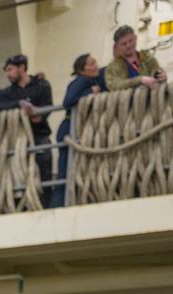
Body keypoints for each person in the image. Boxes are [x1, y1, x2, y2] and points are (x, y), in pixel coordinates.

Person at [0, 54, 55, 191]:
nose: (8, 74)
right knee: (20, 178)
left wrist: (38, 114)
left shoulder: (42, 85)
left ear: (21, 67)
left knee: (44, 174)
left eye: (10, 69)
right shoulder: (7, 93)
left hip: (39, 135)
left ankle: (47, 205)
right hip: (18, 140)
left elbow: (47, 106)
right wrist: (19, 105)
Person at [58, 53, 107, 203]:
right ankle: (59, 203)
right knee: (65, 172)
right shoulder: (82, 80)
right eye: (91, 64)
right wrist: (90, 92)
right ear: (82, 70)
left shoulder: (93, 81)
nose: (95, 66)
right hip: (69, 129)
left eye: (95, 62)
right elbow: (68, 102)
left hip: (80, 130)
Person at [104, 24, 167, 92]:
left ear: (135, 38)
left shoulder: (148, 59)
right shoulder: (112, 68)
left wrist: (162, 77)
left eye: (130, 41)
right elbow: (113, 86)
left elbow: (157, 75)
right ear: (117, 46)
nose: (128, 45)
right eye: (124, 44)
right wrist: (139, 80)